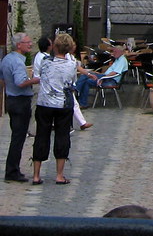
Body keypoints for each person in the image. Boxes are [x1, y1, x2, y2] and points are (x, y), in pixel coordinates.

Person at [32, 33, 78, 184]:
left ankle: (36, 175)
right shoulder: (72, 64)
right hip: (63, 104)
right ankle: (59, 175)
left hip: (45, 103)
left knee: (41, 136)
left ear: (55, 47)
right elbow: (72, 82)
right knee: (62, 136)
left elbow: (40, 74)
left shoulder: (45, 61)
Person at [2, 32, 39, 182]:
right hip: (20, 101)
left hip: (11, 99)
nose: (30, 44)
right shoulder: (17, 62)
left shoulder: (6, 59)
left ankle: (13, 169)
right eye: (27, 42)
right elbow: (20, 82)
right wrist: (35, 80)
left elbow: (2, 79)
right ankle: (12, 171)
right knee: (18, 138)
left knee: (16, 136)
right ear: (19, 45)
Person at [35, 37, 92, 131]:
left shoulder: (46, 60)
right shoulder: (46, 59)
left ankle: (81, 123)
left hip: (47, 99)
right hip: (59, 97)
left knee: (44, 131)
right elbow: (71, 79)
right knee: (62, 130)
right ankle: (79, 123)